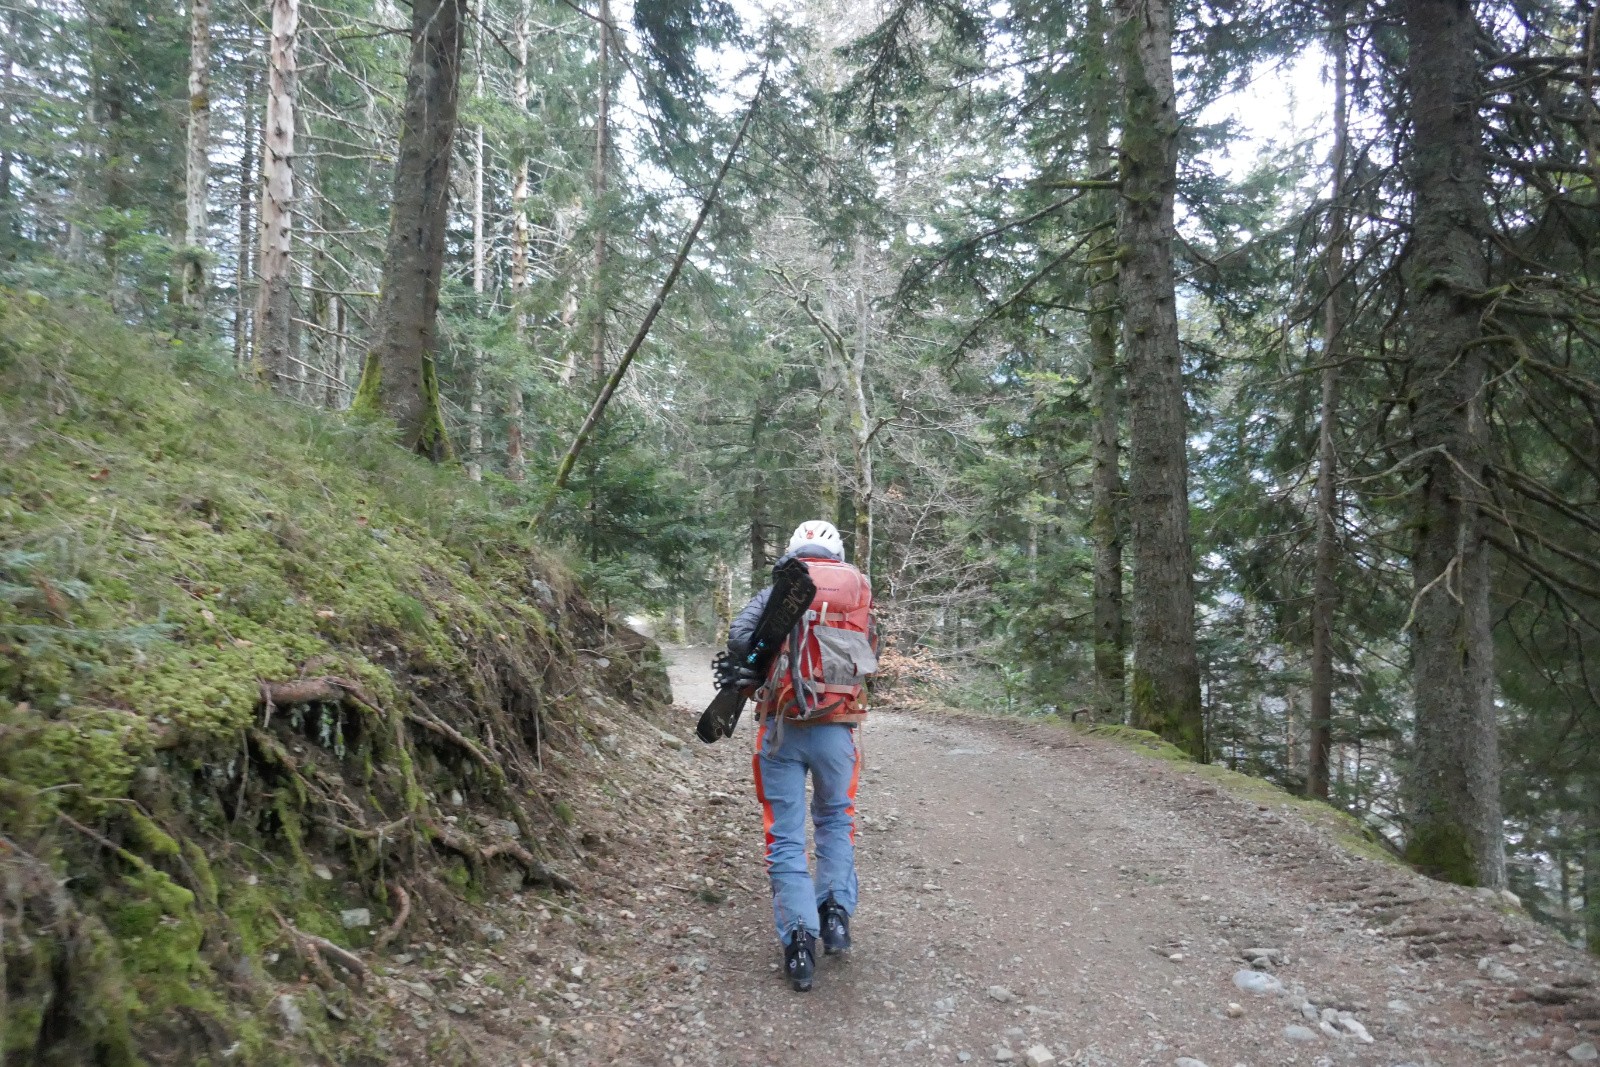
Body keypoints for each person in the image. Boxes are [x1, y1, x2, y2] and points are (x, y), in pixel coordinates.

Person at [726, 520, 878, 992]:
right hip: (838, 728)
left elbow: (740, 639)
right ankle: (835, 916)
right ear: (838, 553)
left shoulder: (780, 587)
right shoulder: (858, 588)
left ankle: (798, 942)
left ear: (794, 551)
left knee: (786, 836)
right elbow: (871, 647)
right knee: (836, 819)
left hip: (782, 725)